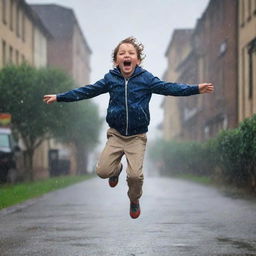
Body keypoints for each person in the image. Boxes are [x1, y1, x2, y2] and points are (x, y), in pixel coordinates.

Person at [43, 37, 214, 219]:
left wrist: (195, 89)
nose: (126, 55)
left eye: (131, 53)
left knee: (134, 177)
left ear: (137, 60)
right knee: (102, 172)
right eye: (122, 53)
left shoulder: (146, 79)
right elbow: (87, 90)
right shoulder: (110, 79)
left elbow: (169, 88)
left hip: (137, 137)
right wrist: (60, 97)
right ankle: (116, 170)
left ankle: (134, 199)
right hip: (116, 135)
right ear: (117, 61)